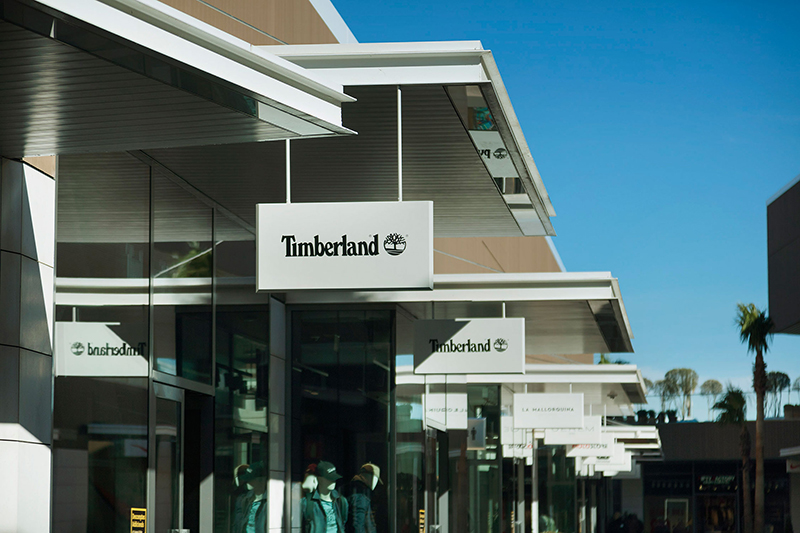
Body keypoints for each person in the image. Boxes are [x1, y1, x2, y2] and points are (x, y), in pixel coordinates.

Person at [302, 461, 349, 533]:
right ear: (319, 479)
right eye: (329, 478)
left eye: (334, 478)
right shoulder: (307, 503)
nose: (333, 481)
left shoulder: (341, 501)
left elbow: (342, 524)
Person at [347, 463, 382, 533]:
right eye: (376, 479)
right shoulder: (360, 495)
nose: (376, 483)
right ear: (372, 477)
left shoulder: (353, 489)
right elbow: (357, 525)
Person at [233, 461, 268, 533]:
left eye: (250, 479)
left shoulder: (269, 501)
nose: (247, 482)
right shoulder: (246, 499)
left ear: (260, 480)